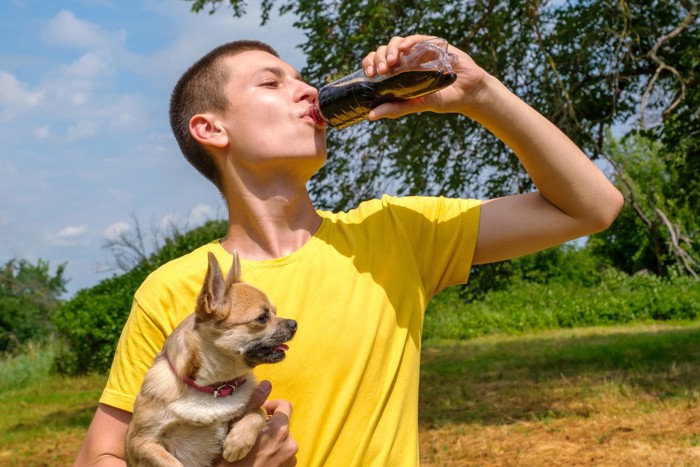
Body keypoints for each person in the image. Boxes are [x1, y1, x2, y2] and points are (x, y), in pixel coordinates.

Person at [74, 34, 623, 466]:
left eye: (304, 80)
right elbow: (102, 454)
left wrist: (481, 94)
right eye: (272, 82)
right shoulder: (173, 290)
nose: (309, 91)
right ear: (210, 128)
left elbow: (591, 207)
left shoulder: (396, 233)